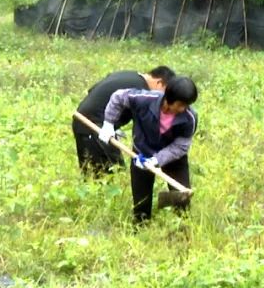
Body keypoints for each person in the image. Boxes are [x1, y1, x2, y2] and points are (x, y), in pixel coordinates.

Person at [98, 76, 199, 223]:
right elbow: (118, 97)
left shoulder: (189, 118)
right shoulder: (145, 99)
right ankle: (141, 228)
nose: (184, 109)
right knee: (141, 202)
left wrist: (157, 160)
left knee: (181, 198)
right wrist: (108, 123)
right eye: (181, 104)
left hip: (173, 158)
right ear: (169, 98)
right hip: (141, 153)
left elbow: (180, 146)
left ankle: (180, 229)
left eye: (187, 105)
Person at [72, 66, 175, 176]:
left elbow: (93, 91)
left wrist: (112, 125)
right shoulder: (141, 91)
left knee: (98, 173)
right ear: (159, 83)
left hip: (83, 121)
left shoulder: (128, 75)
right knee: (108, 174)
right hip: (93, 127)